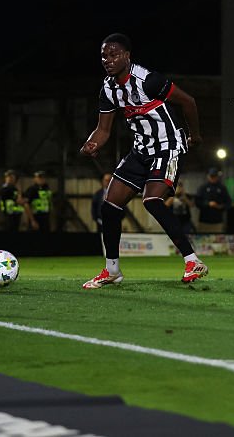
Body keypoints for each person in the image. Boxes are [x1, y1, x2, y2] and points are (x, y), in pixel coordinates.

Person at [79, 33, 207, 289]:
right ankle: (112, 270)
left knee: (152, 200)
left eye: (114, 54)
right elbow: (103, 130)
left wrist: (195, 135)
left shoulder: (149, 80)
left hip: (168, 146)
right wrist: (92, 143)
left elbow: (188, 102)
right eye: (104, 55)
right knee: (109, 205)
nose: (108, 59)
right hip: (140, 151)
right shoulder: (108, 88)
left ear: (127, 55)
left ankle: (193, 261)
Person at [195, 167, 230, 233]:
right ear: (208, 176)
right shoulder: (203, 187)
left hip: (217, 221)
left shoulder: (222, 188)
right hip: (204, 221)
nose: (213, 178)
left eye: (214, 176)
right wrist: (208, 204)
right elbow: (197, 202)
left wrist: (220, 206)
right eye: (211, 176)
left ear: (217, 177)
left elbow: (228, 202)